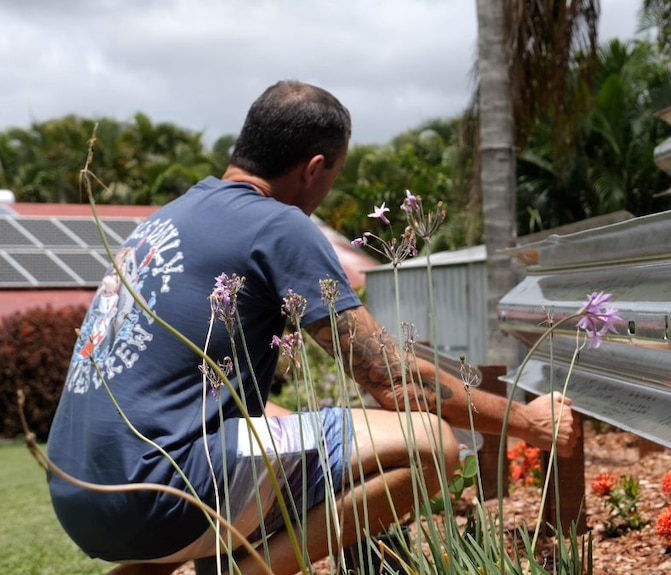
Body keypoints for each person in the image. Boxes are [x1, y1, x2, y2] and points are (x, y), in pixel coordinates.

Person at [46, 80, 578, 575]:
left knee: (276, 416)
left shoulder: (167, 218)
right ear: (315, 167)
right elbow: (394, 381)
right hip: (157, 496)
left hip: (80, 496)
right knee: (432, 444)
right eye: (333, 178)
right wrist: (528, 422)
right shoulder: (276, 223)